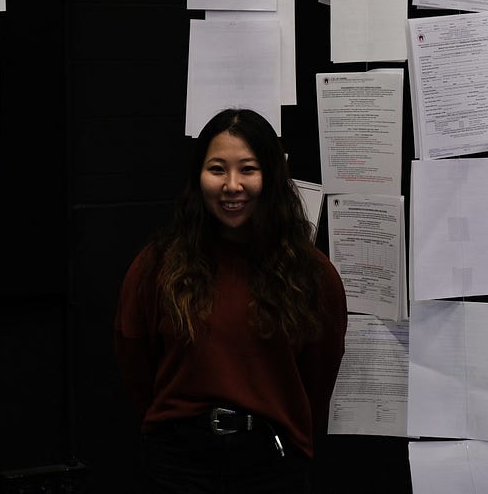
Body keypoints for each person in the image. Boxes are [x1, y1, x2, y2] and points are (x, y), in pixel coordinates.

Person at [114, 108, 348, 493]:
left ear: (271, 177)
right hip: (179, 464)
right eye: (218, 169)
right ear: (198, 176)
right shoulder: (158, 265)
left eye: (249, 169)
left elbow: (317, 376)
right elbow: (135, 361)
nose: (232, 185)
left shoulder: (311, 275)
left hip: (272, 465)